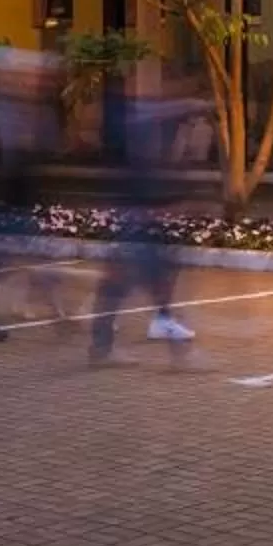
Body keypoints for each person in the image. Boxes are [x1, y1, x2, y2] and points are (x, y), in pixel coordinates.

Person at [91, 97, 194, 359]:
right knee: (123, 283)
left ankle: (160, 329)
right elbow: (140, 186)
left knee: (152, 276)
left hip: (139, 222)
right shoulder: (135, 145)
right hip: (136, 224)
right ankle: (169, 343)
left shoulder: (136, 148)